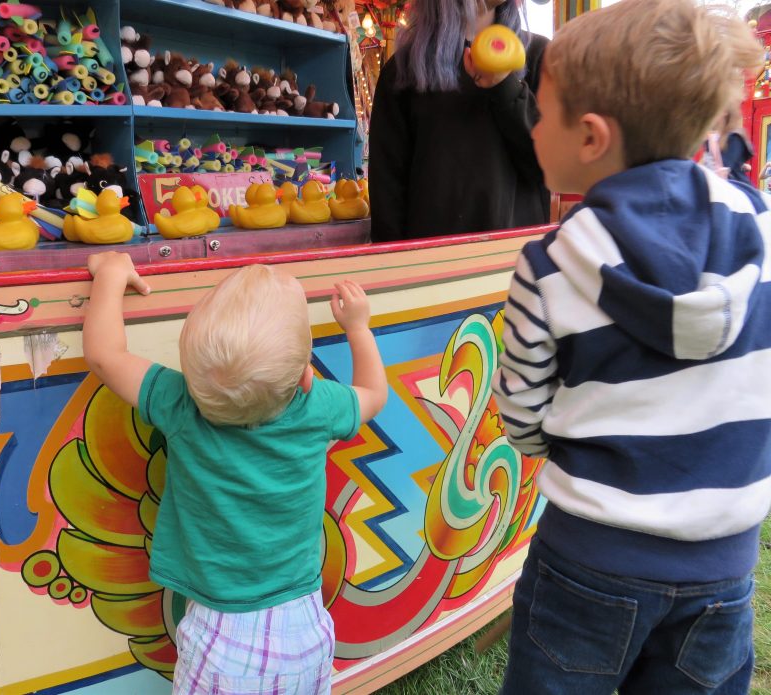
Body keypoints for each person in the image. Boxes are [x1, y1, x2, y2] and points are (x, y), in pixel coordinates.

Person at [491, 0, 769, 693]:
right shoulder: (761, 232)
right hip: (724, 564)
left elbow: (521, 416)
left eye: (541, 108)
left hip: (587, 558)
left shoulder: (550, 264)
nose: (531, 125)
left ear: (590, 136)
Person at [82, 253, 388, 694]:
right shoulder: (318, 406)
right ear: (306, 376)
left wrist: (111, 276)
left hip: (220, 643)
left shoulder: (179, 404)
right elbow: (374, 394)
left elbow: (105, 355)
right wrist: (358, 328)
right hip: (307, 632)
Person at [369, 0, 550, 242]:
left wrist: (505, 87)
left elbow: (549, 164)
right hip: (433, 265)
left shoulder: (538, 56)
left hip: (515, 263)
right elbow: (387, 194)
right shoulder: (404, 70)